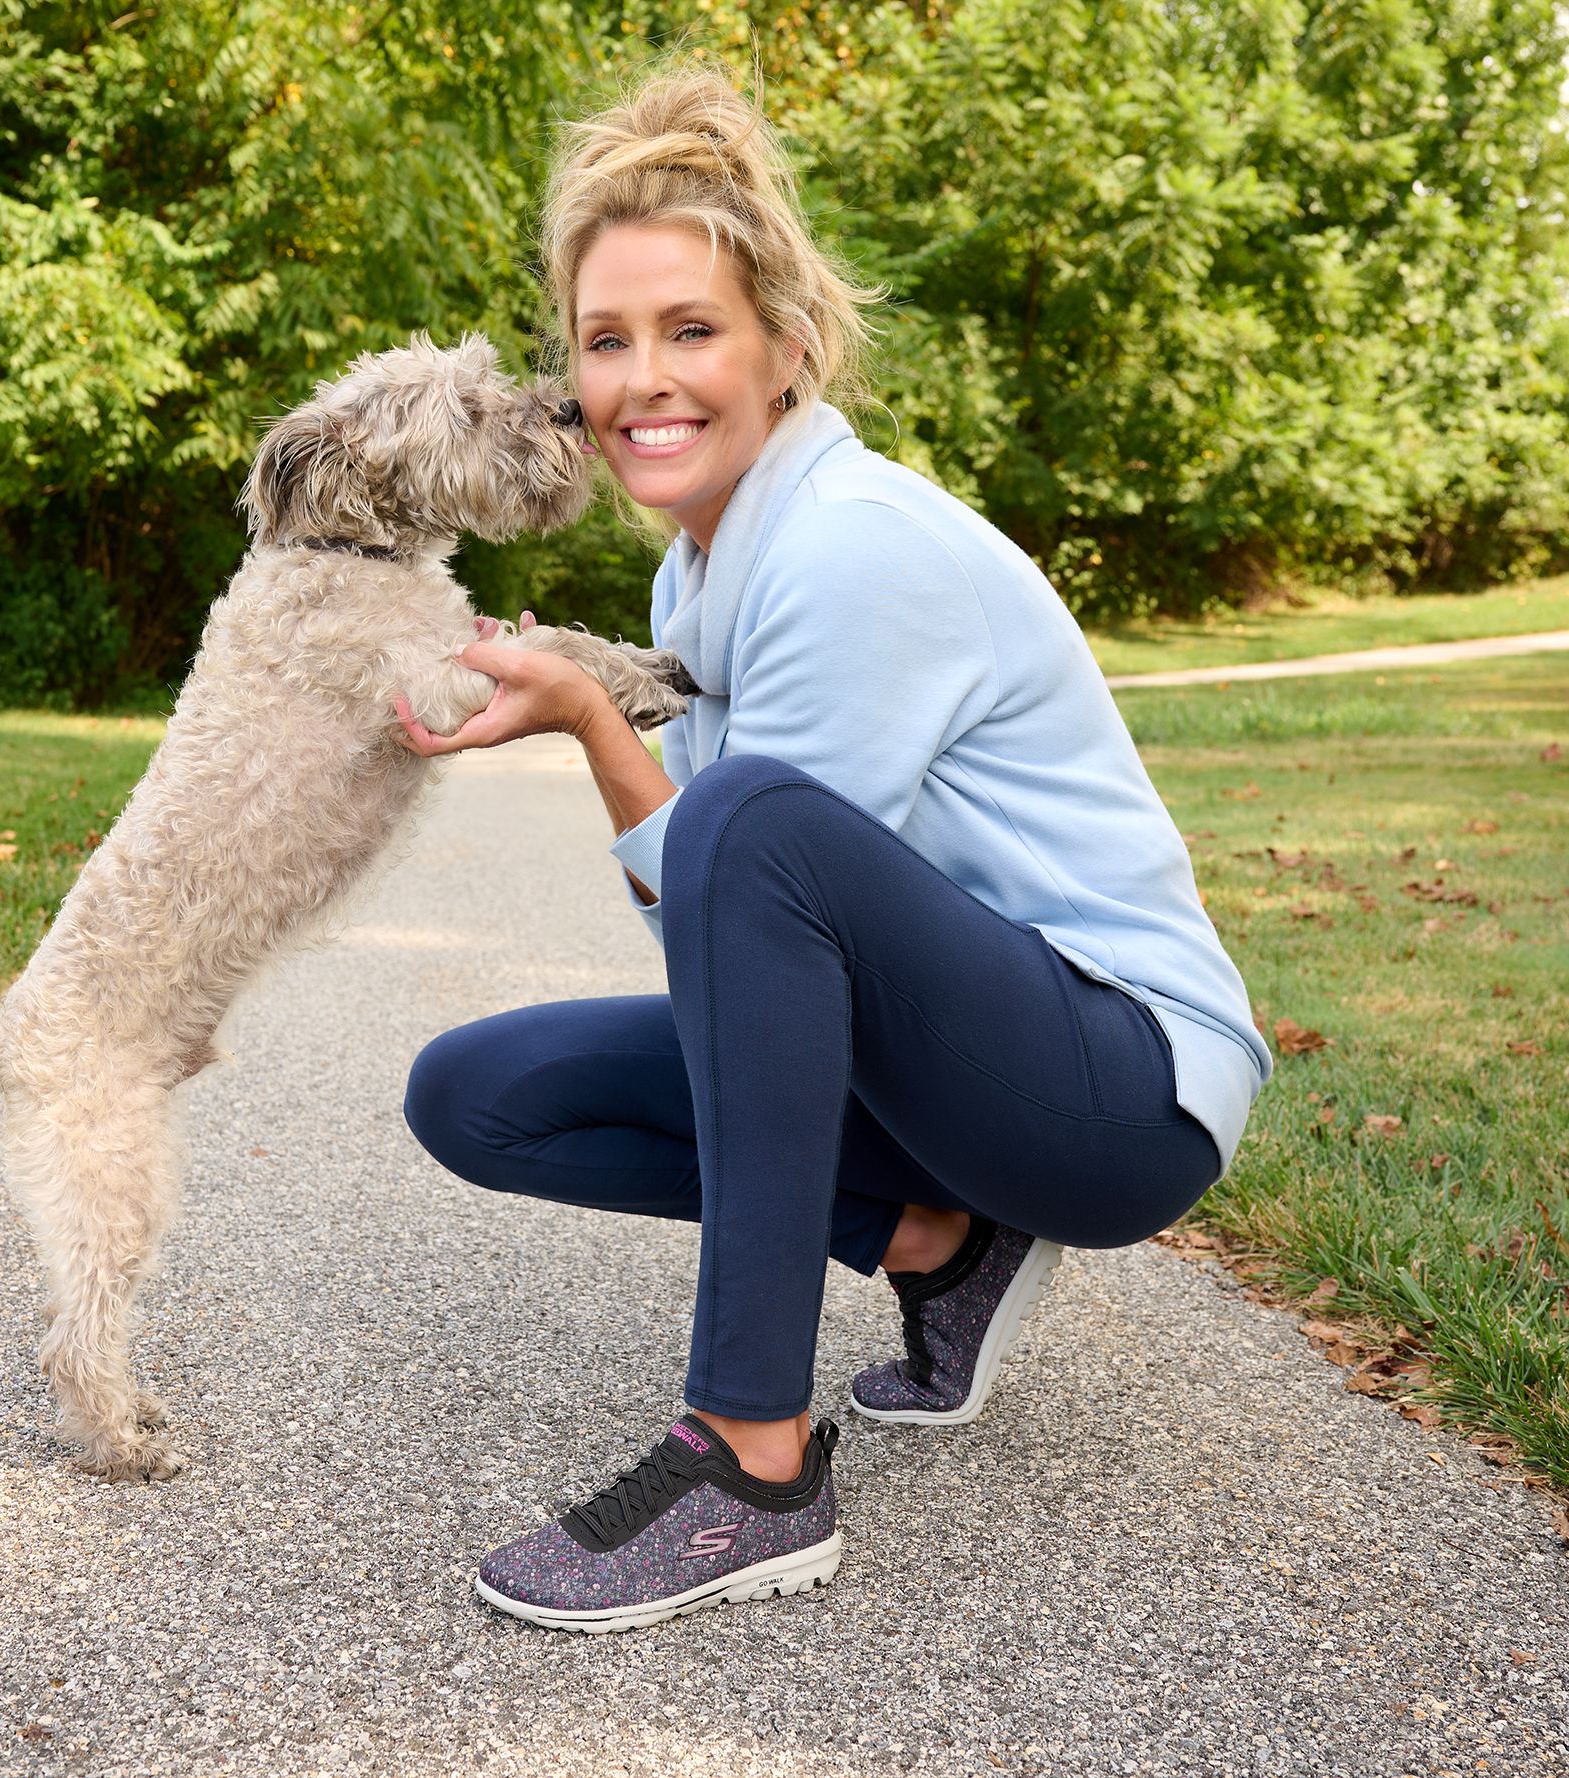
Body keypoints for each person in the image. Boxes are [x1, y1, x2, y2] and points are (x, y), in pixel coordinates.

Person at [392, 66, 1270, 1635]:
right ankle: (941, 1241)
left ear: (786, 348)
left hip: (1119, 1087)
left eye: (691, 330)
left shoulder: (853, 548)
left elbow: (744, 877)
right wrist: (597, 717)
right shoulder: (700, 573)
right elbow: (732, 947)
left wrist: (605, 717)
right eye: (606, 340)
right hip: (959, 1073)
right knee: (475, 1092)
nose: (643, 381)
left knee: (750, 814)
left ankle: (753, 1462)